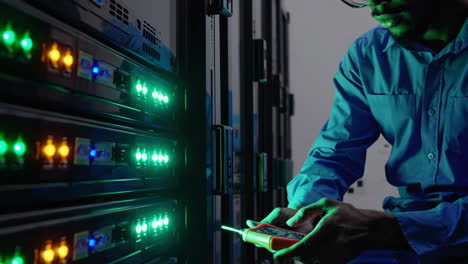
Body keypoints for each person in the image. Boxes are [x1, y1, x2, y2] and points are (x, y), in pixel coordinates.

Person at [247, 0, 468, 263]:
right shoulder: (369, 54)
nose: (375, 4)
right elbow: (335, 152)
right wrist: (304, 211)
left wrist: (390, 229)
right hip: (409, 236)